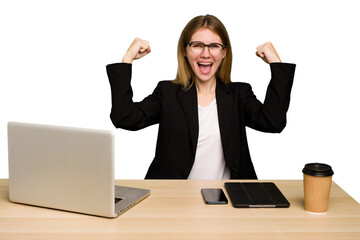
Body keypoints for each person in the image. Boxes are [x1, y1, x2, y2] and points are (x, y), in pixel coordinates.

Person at [106, 14, 296, 179]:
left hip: (228, 202)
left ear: (224, 53)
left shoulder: (239, 94)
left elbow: (273, 123)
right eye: (197, 45)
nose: (206, 54)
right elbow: (124, 118)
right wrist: (127, 60)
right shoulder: (167, 93)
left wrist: (276, 64)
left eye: (214, 46)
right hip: (174, 199)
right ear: (185, 51)